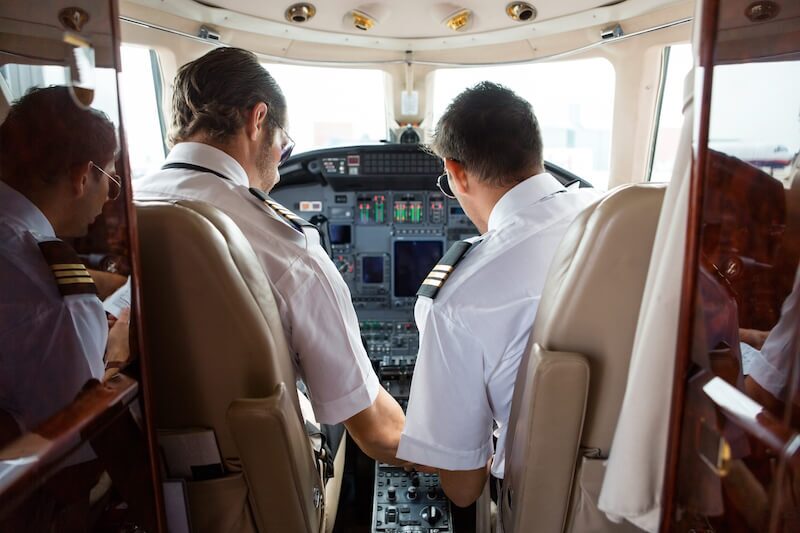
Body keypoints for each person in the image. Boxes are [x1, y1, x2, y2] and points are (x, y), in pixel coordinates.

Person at [134, 47, 404, 463]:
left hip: (144, 470)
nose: (279, 168)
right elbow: (378, 433)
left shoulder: (125, 211)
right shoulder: (286, 248)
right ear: (257, 119)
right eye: (285, 147)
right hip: (264, 484)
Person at [395, 82, 600, 506]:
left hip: (544, 504)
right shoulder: (617, 216)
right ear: (535, 152)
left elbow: (465, 489)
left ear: (456, 173)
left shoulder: (456, 300)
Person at [0, 86, 130, 445]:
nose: (109, 198)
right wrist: (117, 357)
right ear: (82, 176)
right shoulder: (58, 299)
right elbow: (75, 468)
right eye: (112, 181)